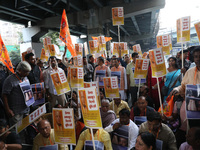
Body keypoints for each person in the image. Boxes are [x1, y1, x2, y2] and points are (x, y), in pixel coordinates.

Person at [170, 46, 200, 147]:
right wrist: (177, 89)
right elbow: (182, 87)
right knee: (194, 137)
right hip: (192, 112)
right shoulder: (190, 72)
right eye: (196, 57)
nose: (198, 59)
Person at [2, 61, 31, 126]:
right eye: (26, 72)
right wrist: (8, 110)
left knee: (25, 128)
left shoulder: (25, 78)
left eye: (28, 72)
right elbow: (4, 95)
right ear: (19, 70)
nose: (27, 74)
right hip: (16, 112)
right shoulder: (10, 80)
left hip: (26, 109)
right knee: (17, 130)